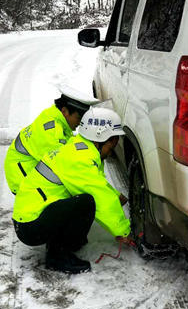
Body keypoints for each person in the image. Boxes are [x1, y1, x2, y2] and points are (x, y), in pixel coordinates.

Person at [12, 107, 132, 274]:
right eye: (111, 146)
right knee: (87, 202)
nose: (111, 151)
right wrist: (123, 231)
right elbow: (100, 196)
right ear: (100, 139)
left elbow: (96, 182)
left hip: (33, 216)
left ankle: (69, 242)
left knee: (85, 201)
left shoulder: (79, 147)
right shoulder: (79, 159)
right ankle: (57, 257)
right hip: (30, 226)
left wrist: (116, 195)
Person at [4, 87, 98, 195]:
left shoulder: (55, 115)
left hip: (25, 166)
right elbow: (64, 168)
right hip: (22, 177)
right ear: (64, 111)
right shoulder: (51, 133)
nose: (81, 123)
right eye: (78, 118)